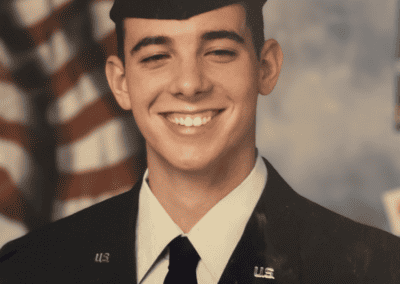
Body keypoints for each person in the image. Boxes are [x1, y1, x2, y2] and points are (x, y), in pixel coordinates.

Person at [1, 0, 399, 283]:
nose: (189, 84)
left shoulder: (374, 270)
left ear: (266, 67)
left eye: (219, 51)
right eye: (156, 56)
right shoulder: (30, 270)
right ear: (121, 83)